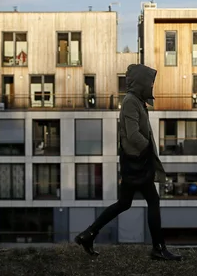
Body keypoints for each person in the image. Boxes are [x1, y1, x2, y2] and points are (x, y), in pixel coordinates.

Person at [74, 63, 182, 261]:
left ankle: (88, 234)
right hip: (138, 163)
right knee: (152, 201)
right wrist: (148, 150)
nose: (151, 87)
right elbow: (133, 134)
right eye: (149, 83)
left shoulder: (136, 101)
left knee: (124, 203)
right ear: (141, 83)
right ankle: (158, 248)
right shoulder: (131, 102)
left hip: (134, 163)